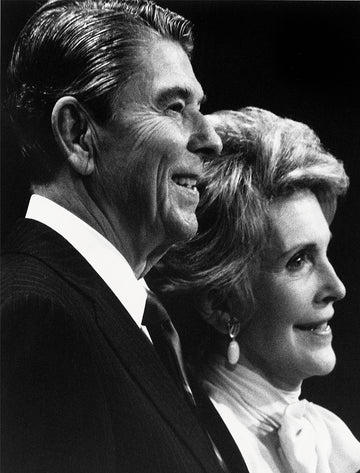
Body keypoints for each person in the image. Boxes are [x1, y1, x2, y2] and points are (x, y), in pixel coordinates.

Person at [0, 1, 228, 472]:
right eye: (175, 107)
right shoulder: (35, 315)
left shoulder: (132, 319)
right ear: (78, 133)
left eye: (199, 107)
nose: (210, 137)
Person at [150, 107, 360, 473]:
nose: (336, 287)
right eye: (298, 261)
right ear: (220, 303)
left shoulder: (335, 443)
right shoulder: (189, 449)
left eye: (324, 251)